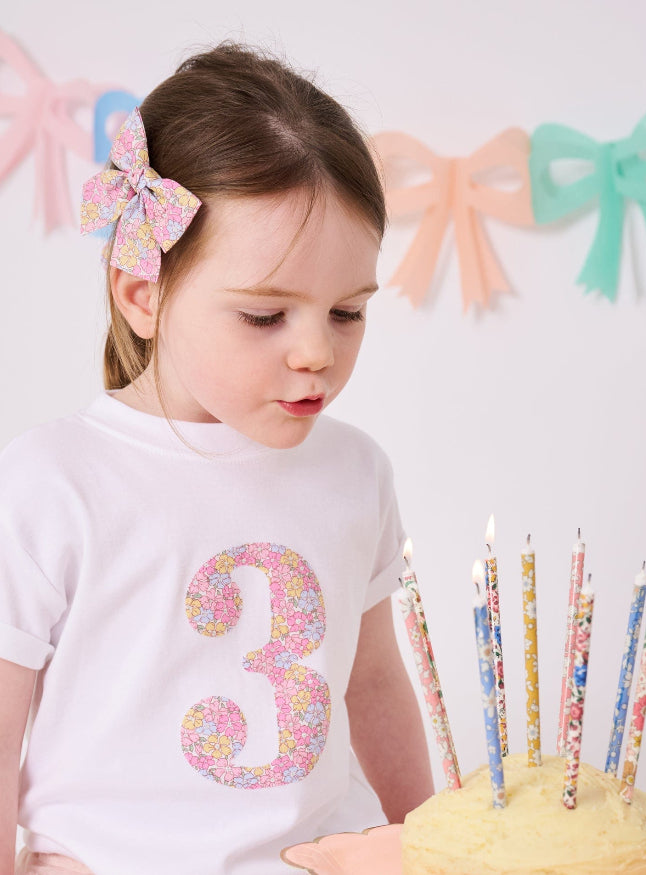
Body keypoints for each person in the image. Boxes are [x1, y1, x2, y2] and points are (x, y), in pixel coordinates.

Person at [0, 43, 433, 875]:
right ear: (144, 293)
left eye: (347, 312)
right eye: (265, 316)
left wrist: (431, 840)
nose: (317, 352)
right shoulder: (53, 483)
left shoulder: (355, 473)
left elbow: (374, 680)